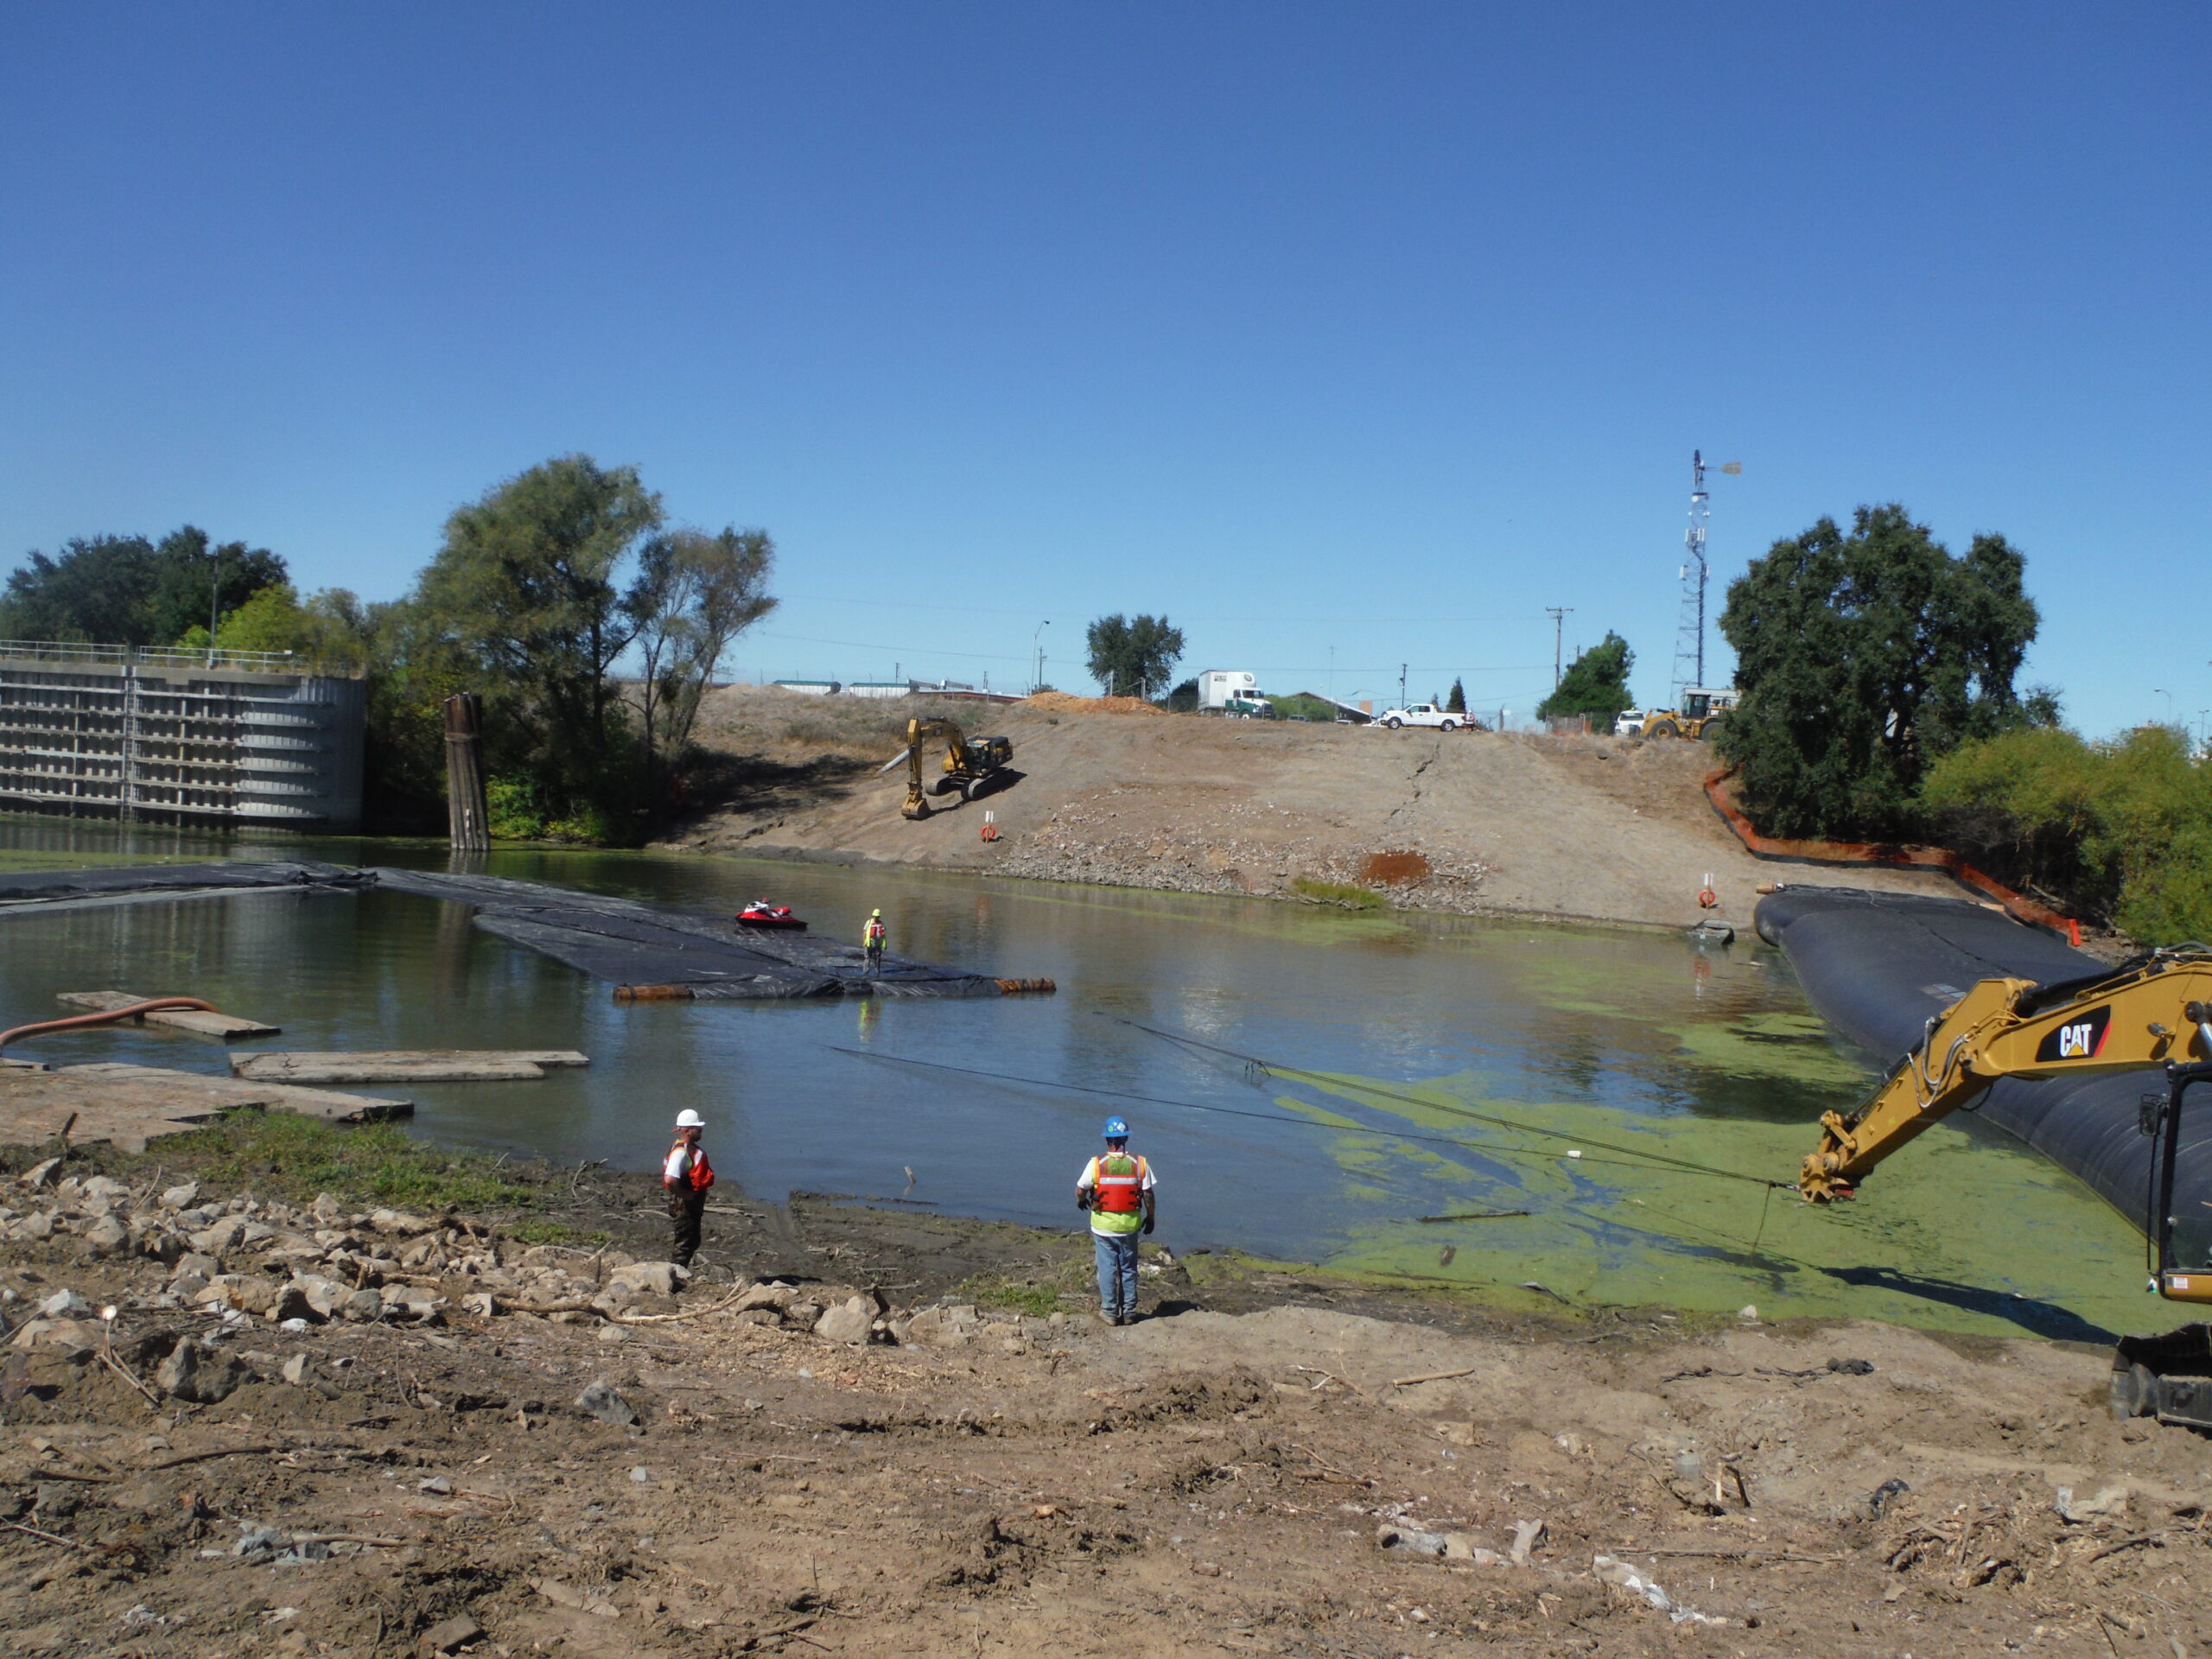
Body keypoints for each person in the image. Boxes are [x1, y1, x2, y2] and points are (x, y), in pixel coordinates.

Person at [1076, 1116, 1155, 1325]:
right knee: (1129, 1269)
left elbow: (1080, 1189)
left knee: (1107, 1268)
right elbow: (1148, 1194)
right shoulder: (1140, 1163)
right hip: (1129, 1226)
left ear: (1107, 1140)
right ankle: (1129, 1312)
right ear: (1125, 1139)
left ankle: (1110, 1312)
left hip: (1103, 1226)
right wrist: (1151, 1217)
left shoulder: (1096, 1164)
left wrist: (1081, 1201)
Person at [662, 1108, 715, 1268]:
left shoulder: (687, 1150)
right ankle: (676, 1275)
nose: (701, 1130)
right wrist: (684, 1194)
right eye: (697, 1128)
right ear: (686, 1130)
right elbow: (670, 1179)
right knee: (684, 1243)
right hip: (685, 1205)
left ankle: (680, 1271)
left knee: (692, 1240)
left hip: (691, 1203)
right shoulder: (680, 1153)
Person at [862, 907, 887, 976]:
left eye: (877, 917)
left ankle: (877, 973)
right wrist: (864, 942)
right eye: (875, 916)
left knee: (878, 959)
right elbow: (864, 932)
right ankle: (865, 973)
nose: (876, 918)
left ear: (879, 916)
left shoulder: (882, 924)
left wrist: (885, 944)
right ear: (873, 916)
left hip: (878, 944)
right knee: (867, 958)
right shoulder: (869, 922)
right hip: (869, 944)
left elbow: (884, 935)